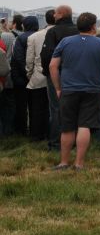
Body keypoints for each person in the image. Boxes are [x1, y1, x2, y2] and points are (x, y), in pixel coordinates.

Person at [48, 13, 100, 171]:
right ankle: (79, 163)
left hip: (69, 89)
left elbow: (53, 66)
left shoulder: (65, 42)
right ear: (93, 26)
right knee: (84, 125)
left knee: (67, 127)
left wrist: (58, 88)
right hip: (93, 89)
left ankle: (64, 162)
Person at [40, 5, 78, 151]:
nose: (53, 15)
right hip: (75, 75)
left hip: (57, 73)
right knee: (73, 109)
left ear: (61, 14)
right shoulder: (77, 30)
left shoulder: (53, 31)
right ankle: (73, 142)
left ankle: (56, 143)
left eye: (55, 13)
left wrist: (46, 72)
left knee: (56, 109)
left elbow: (46, 54)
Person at [25, 10, 54, 142]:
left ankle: (36, 136)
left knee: (37, 109)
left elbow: (29, 60)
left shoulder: (34, 37)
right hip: (59, 77)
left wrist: (30, 75)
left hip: (38, 76)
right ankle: (53, 134)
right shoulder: (67, 34)